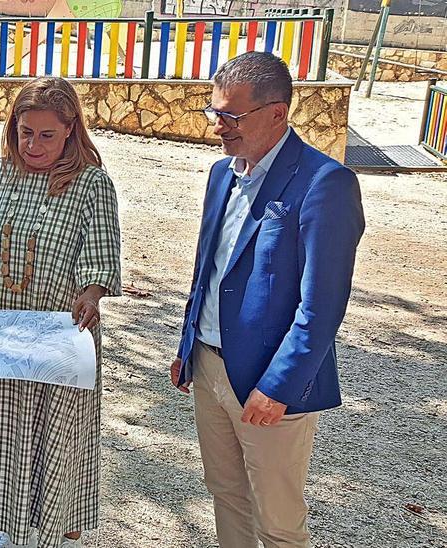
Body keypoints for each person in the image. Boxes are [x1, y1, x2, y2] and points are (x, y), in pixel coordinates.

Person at [170, 51, 364, 548]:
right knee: (226, 495)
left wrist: (279, 385)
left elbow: (321, 306)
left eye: (232, 116)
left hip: (269, 386)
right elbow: (208, 270)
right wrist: (188, 344)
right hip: (209, 368)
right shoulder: (221, 174)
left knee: (278, 522)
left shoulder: (325, 184)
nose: (218, 127)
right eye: (215, 113)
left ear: (278, 113)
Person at [0, 77, 122, 548]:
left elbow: (100, 258)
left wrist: (91, 294)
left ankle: (52, 531)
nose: (33, 144)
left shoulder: (92, 184)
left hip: (60, 337)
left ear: (70, 129)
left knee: (56, 437)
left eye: (47, 135)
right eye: (25, 132)